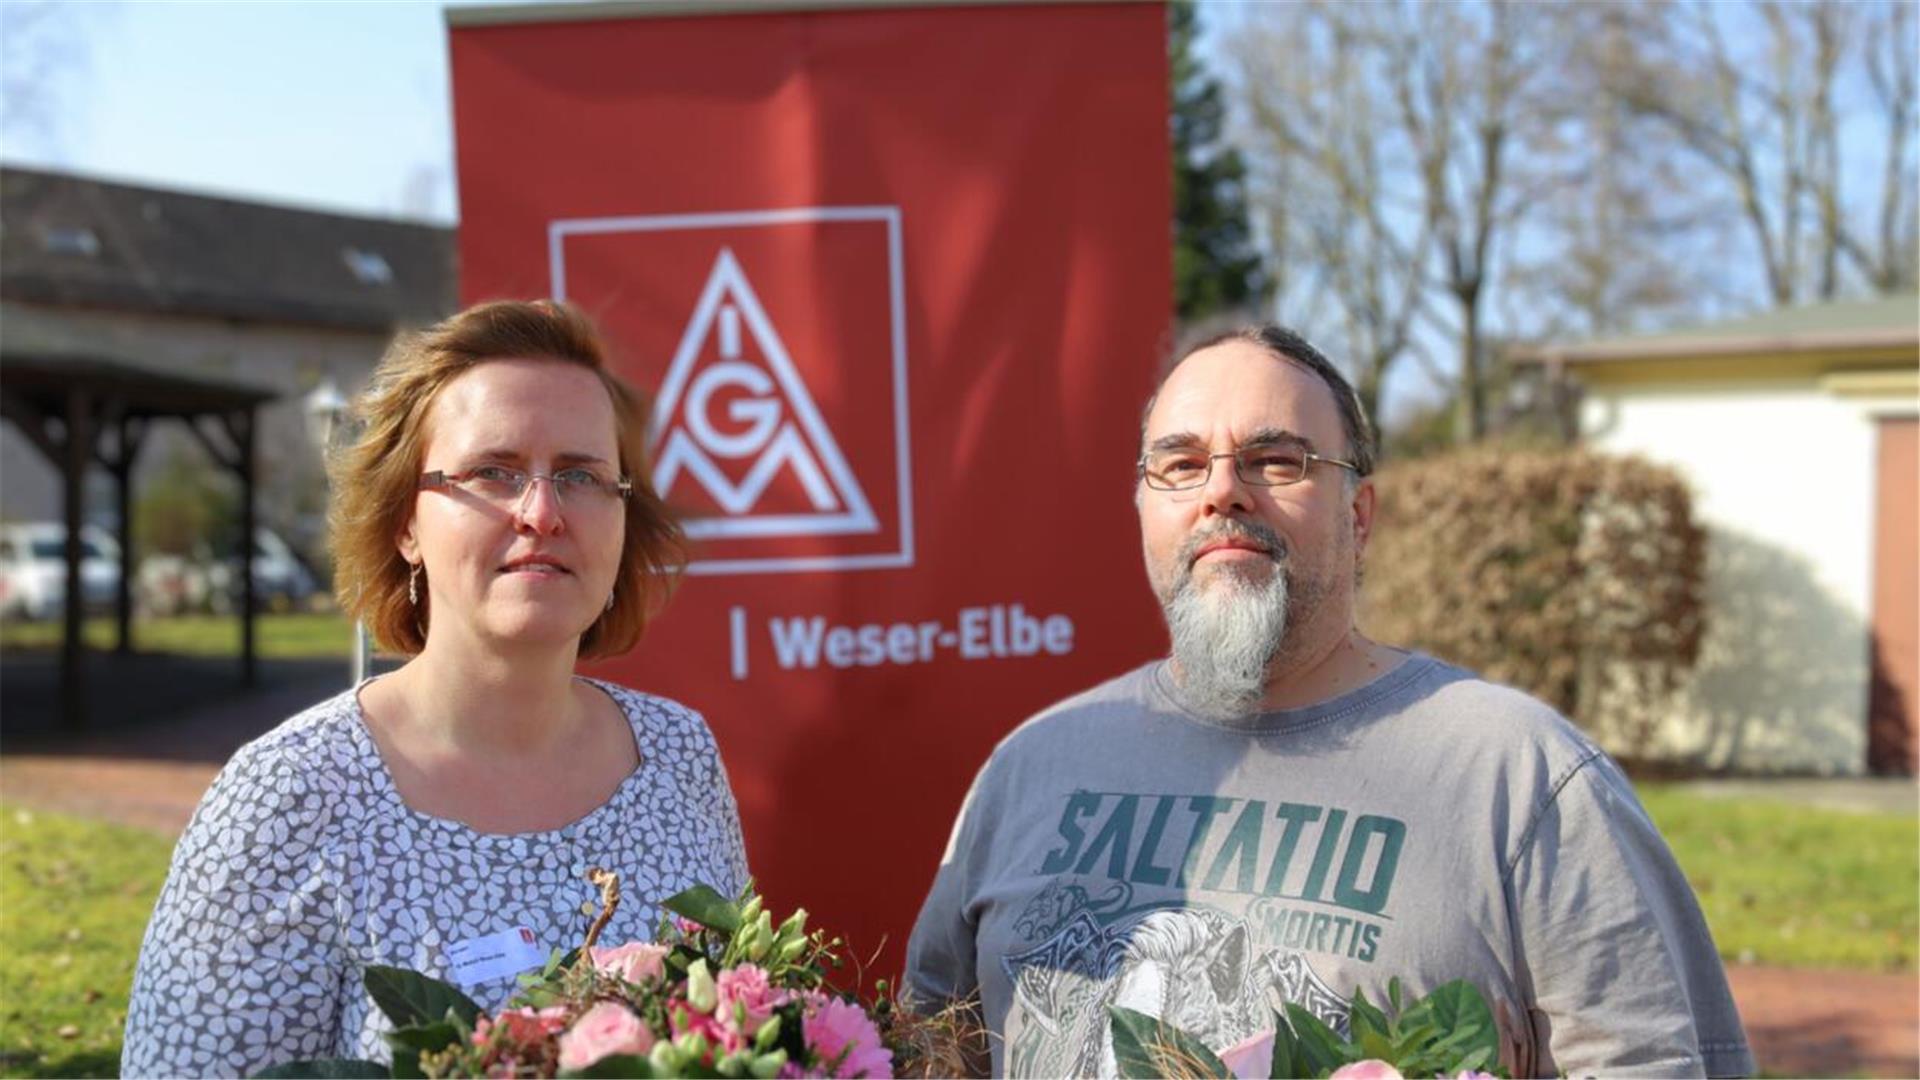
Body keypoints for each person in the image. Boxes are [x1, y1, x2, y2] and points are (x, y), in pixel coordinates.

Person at [905, 325, 1752, 1079]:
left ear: (1361, 516)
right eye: (1182, 463)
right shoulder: (1032, 767)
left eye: (1278, 461)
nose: (1222, 492)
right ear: (1142, 507)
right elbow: (923, 1053)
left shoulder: (1520, 778)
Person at [122, 300, 749, 1077]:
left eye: (584, 476)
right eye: (494, 471)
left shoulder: (680, 757)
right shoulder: (289, 798)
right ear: (406, 525)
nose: (542, 511)